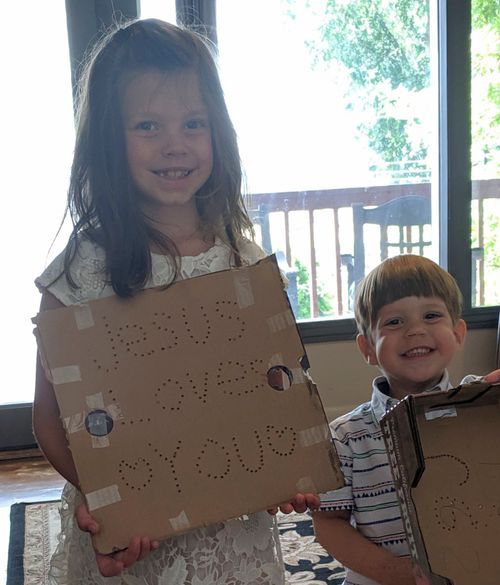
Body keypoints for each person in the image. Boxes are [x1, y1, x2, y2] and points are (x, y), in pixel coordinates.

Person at [33, 18, 318, 585]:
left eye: (194, 123)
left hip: (232, 534)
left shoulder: (242, 258)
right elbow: (49, 421)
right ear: (108, 139)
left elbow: (270, 384)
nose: (175, 144)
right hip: (139, 540)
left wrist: (282, 466)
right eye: (147, 125)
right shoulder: (81, 270)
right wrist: (106, 504)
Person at [312, 254, 500, 585]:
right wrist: (397, 574)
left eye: (431, 315)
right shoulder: (345, 436)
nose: (415, 330)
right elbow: (329, 523)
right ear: (367, 347)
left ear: (457, 333)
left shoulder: (481, 407)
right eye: (394, 322)